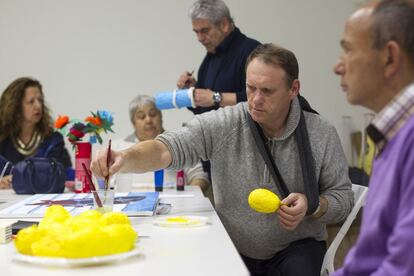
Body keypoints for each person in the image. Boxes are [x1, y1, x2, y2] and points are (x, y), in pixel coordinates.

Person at [92, 44, 353, 276]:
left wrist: (313, 205)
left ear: (293, 89)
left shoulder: (321, 133)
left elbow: (343, 198)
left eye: (267, 91)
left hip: (297, 247)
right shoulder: (227, 122)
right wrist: (124, 158)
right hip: (234, 245)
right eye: (250, 88)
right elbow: (165, 149)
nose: (256, 99)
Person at [333, 1, 414, 275]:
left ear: (389, 57)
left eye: (348, 50)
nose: (337, 67)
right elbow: (368, 257)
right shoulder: (391, 136)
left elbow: (403, 268)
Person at [177, 0, 260, 114]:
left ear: (224, 24)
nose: (199, 38)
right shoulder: (209, 59)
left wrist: (215, 98)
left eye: (204, 31)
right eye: (196, 32)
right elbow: (202, 110)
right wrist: (191, 92)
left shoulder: (253, 51)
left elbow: (258, 99)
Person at [112, 95, 209, 191]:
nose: (148, 120)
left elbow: (200, 177)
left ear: (161, 116)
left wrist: (188, 198)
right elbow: (107, 185)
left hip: (174, 203)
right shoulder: (117, 147)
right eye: (141, 117)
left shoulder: (178, 142)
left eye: (153, 114)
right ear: (133, 123)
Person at [0, 77, 72, 189]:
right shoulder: (3, 140)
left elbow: (64, 175)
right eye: (31, 101)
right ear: (15, 106)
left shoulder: (53, 140)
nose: (38, 106)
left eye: (40, 100)